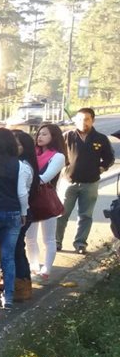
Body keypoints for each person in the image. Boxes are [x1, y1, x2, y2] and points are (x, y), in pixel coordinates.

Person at [0, 128, 31, 313]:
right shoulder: (20, 165)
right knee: (8, 257)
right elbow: (22, 193)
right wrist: (23, 212)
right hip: (13, 213)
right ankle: (8, 298)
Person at [56, 108, 115, 254]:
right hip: (68, 182)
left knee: (86, 215)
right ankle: (56, 242)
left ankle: (80, 243)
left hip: (90, 183)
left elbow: (109, 158)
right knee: (61, 214)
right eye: (80, 119)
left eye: (87, 119)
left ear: (93, 120)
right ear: (75, 120)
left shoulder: (100, 138)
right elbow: (57, 155)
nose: (83, 122)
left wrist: (102, 168)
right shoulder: (68, 136)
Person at [26, 123, 67, 281]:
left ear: (53, 137)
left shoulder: (58, 156)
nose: (39, 137)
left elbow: (44, 178)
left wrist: (25, 179)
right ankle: (34, 267)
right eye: (39, 134)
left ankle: (46, 270)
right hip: (30, 199)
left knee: (49, 238)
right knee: (29, 238)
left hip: (47, 200)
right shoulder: (31, 154)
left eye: (44, 134)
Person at [10, 130, 40, 302]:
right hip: (23, 211)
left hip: (22, 212)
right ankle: (18, 284)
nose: (14, 147)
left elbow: (22, 193)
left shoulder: (23, 166)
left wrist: (22, 213)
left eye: (18, 144)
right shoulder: (23, 163)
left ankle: (22, 287)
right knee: (16, 248)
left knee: (16, 250)